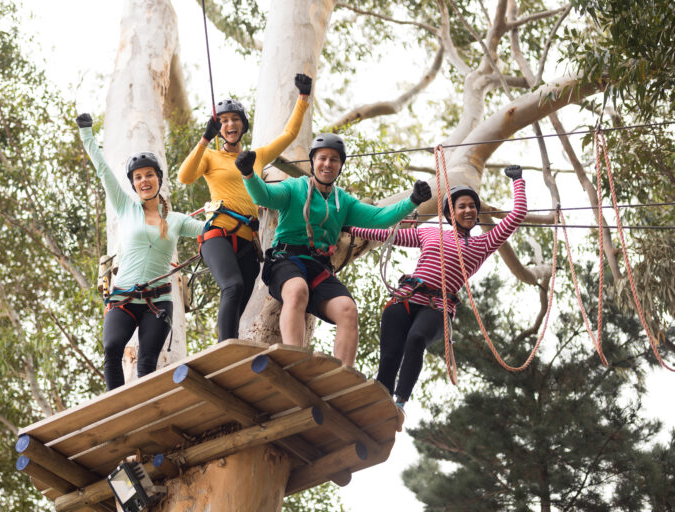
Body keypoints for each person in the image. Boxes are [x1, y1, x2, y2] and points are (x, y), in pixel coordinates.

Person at [235, 133, 432, 367]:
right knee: (297, 290)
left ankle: (343, 375)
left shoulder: (343, 201)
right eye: (322, 158)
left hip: (318, 267)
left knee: (348, 310)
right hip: (286, 259)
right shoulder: (294, 188)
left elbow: (379, 218)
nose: (327, 164)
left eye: (334, 160)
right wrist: (248, 173)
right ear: (313, 162)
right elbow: (264, 196)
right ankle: (294, 360)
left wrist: (412, 200)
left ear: (340, 166)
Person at [347, 165, 526, 408]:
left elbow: (517, 215)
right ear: (450, 213)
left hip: (438, 306)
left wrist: (518, 181)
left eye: (472, 206)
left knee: (416, 338)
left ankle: (399, 401)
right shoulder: (430, 233)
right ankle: (380, 399)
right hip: (407, 297)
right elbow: (389, 236)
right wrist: (349, 229)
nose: (468, 210)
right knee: (390, 355)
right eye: (461, 206)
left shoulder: (484, 243)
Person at [178, 74, 313, 342]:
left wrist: (303, 98)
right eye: (224, 120)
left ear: (243, 126)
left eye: (235, 119)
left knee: (240, 297)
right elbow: (185, 177)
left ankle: (231, 344)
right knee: (233, 285)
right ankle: (224, 349)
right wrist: (204, 139)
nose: (230, 124)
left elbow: (289, 134)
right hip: (218, 234)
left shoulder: (256, 157)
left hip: (248, 242)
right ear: (218, 128)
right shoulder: (210, 156)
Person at [77, 113, 204, 390]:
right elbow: (103, 171)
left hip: (158, 302)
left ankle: (145, 408)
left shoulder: (177, 219)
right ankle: (116, 406)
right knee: (111, 349)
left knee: (147, 362)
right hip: (123, 296)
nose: (144, 180)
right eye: (138, 177)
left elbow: (207, 229)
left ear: (158, 179)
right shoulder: (125, 207)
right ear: (133, 184)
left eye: (149, 175)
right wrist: (87, 133)